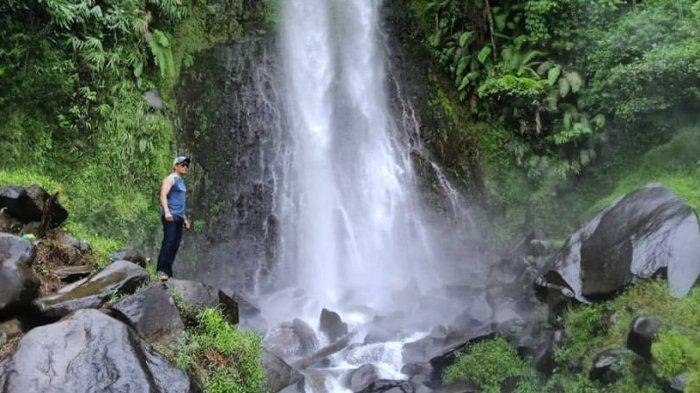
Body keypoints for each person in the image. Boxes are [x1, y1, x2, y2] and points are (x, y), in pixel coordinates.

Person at [156, 156, 191, 280]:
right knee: (169, 242)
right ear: (175, 166)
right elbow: (163, 195)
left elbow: (180, 201)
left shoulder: (181, 181)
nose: (185, 167)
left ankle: (168, 272)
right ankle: (160, 270)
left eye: (187, 165)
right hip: (170, 216)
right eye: (183, 164)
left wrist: (184, 218)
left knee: (175, 245)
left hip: (179, 217)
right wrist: (166, 212)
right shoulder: (170, 178)